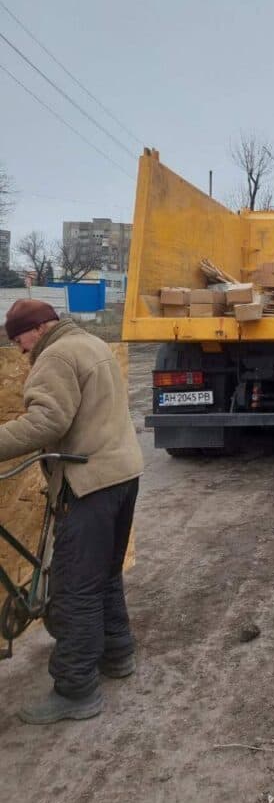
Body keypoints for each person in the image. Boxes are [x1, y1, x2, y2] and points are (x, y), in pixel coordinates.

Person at [0, 300, 143, 724]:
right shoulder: (91, 344)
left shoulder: (56, 356)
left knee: (75, 589)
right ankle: (118, 653)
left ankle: (76, 690)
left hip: (89, 482)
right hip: (122, 475)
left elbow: (46, 422)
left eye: (20, 339)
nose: (21, 351)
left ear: (38, 328)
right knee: (104, 576)